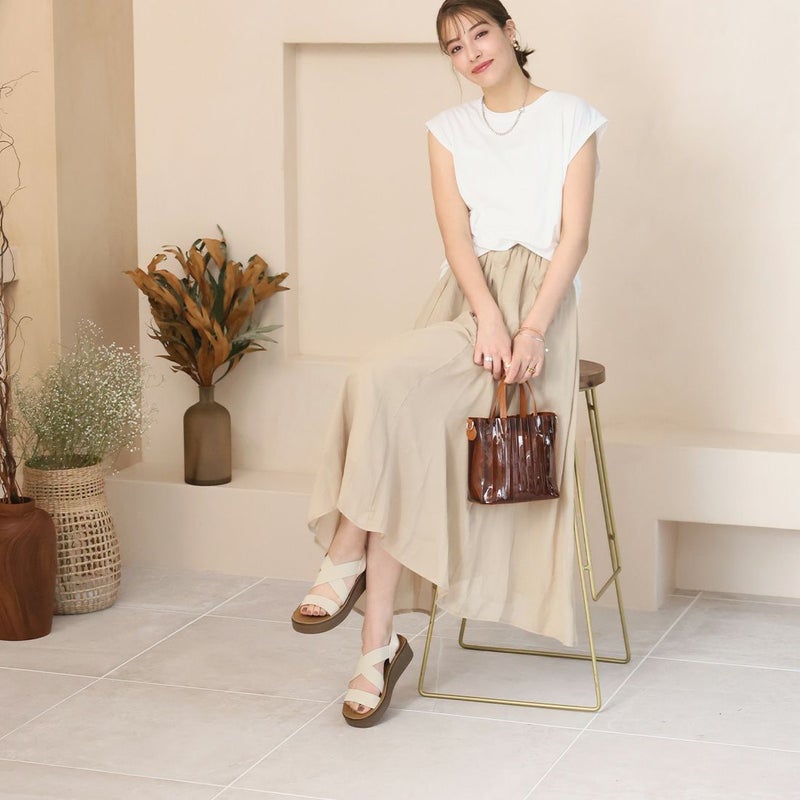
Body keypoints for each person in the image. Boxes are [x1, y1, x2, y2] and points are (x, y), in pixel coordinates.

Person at [291, 0, 607, 728]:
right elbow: (456, 238)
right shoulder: (447, 131)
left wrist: (531, 328)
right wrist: (488, 317)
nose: (471, 53)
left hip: (543, 309)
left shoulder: (571, 117)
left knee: (401, 431)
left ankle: (364, 613)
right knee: (380, 383)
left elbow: (575, 237)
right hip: (469, 303)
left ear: (511, 31)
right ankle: (366, 608)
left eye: (480, 33)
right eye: (454, 46)